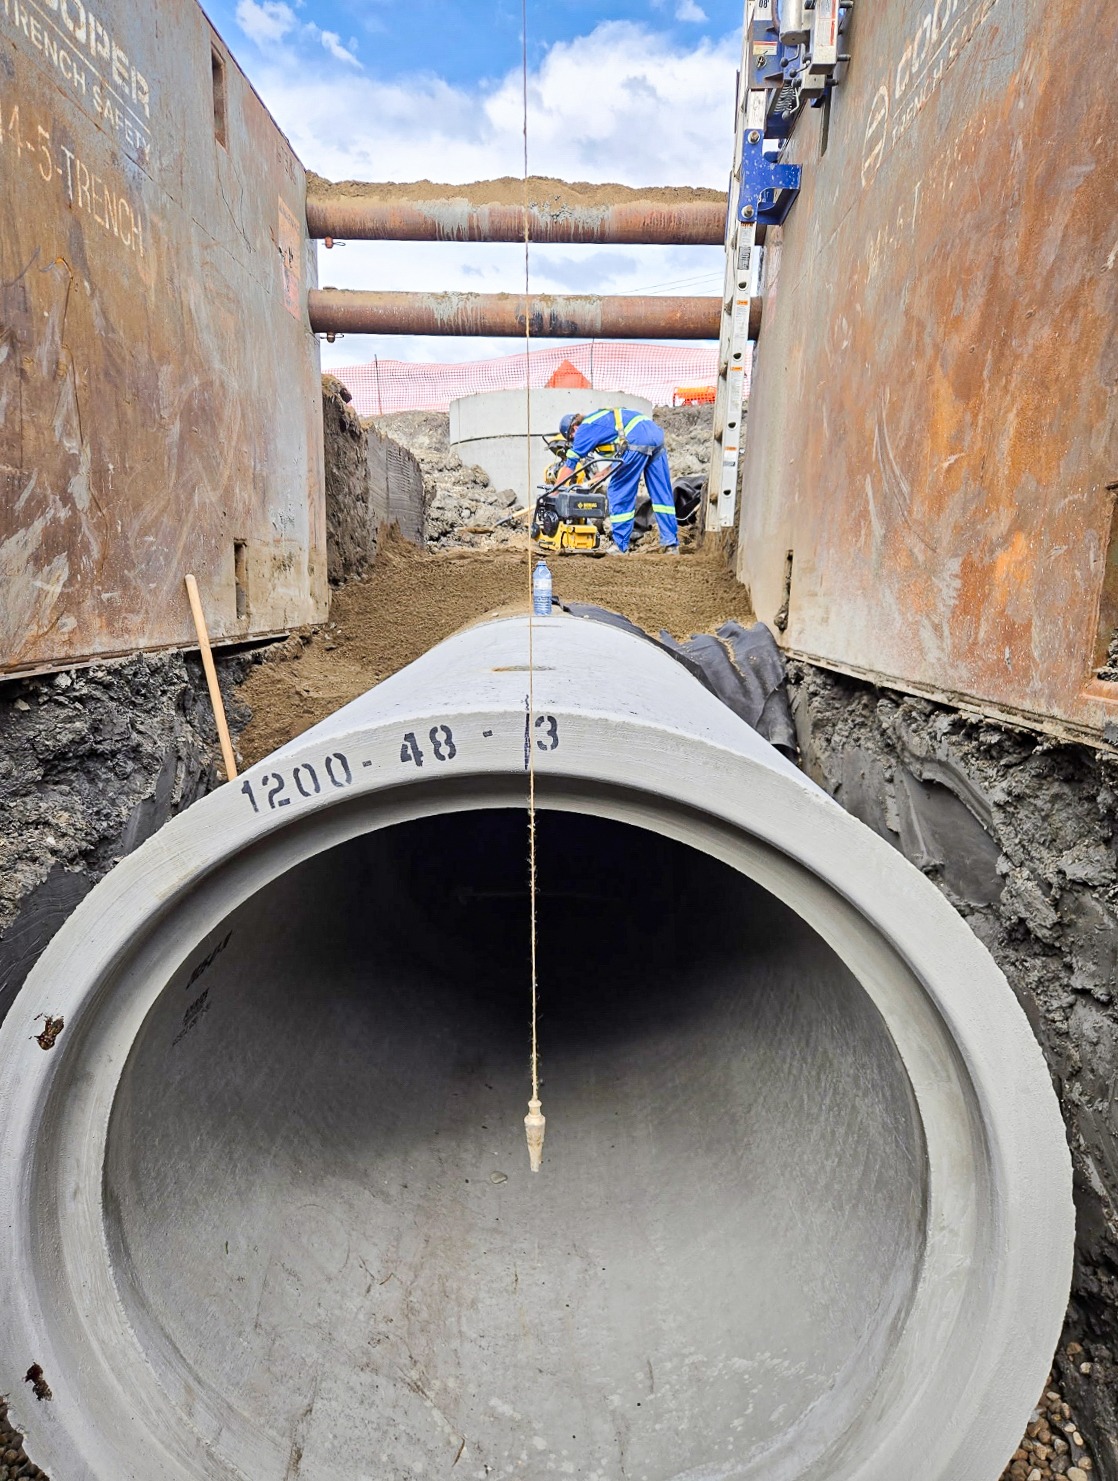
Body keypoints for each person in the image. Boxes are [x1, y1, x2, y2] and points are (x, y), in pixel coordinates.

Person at [553, 409, 678, 554]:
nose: (575, 442)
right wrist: (603, 473)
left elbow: (570, 465)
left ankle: (620, 545)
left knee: (618, 491)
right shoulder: (600, 421)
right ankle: (671, 544)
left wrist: (554, 491)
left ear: (574, 429)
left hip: (637, 438)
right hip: (654, 433)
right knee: (661, 492)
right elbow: (621, 453)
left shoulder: (583, 429)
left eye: (572, 439)